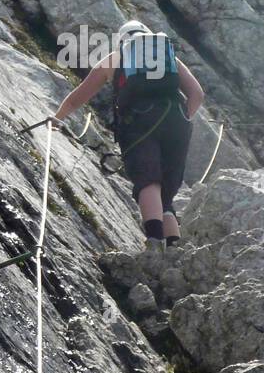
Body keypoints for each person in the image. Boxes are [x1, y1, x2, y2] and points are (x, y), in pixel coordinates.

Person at [50, 20, 204, 249]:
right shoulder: (167, 56)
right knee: (166, 195)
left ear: (122, 41)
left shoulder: (115, 58)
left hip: (139, 123)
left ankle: (154, 241)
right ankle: (174, 249)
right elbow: (197, 94)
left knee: (148, 180)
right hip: (177, 123)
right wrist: (183, 119)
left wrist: (58, 118)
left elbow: (77, 97)